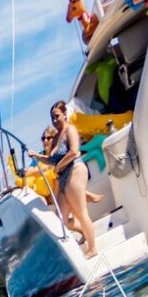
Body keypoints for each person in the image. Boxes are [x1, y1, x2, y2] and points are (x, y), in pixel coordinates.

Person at [42, 101, 99, 259]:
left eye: (57, 116)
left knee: (81, 212)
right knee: (62, 220)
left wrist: (60, 165)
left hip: (75, 170)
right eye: (52, 118)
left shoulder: (70, 130)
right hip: (63, 178)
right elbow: (50, 160)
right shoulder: (55, 138)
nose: (54, 120)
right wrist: (37, 156)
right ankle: (84, 232)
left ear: (65, 114)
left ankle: (92, 248)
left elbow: (74, 151)